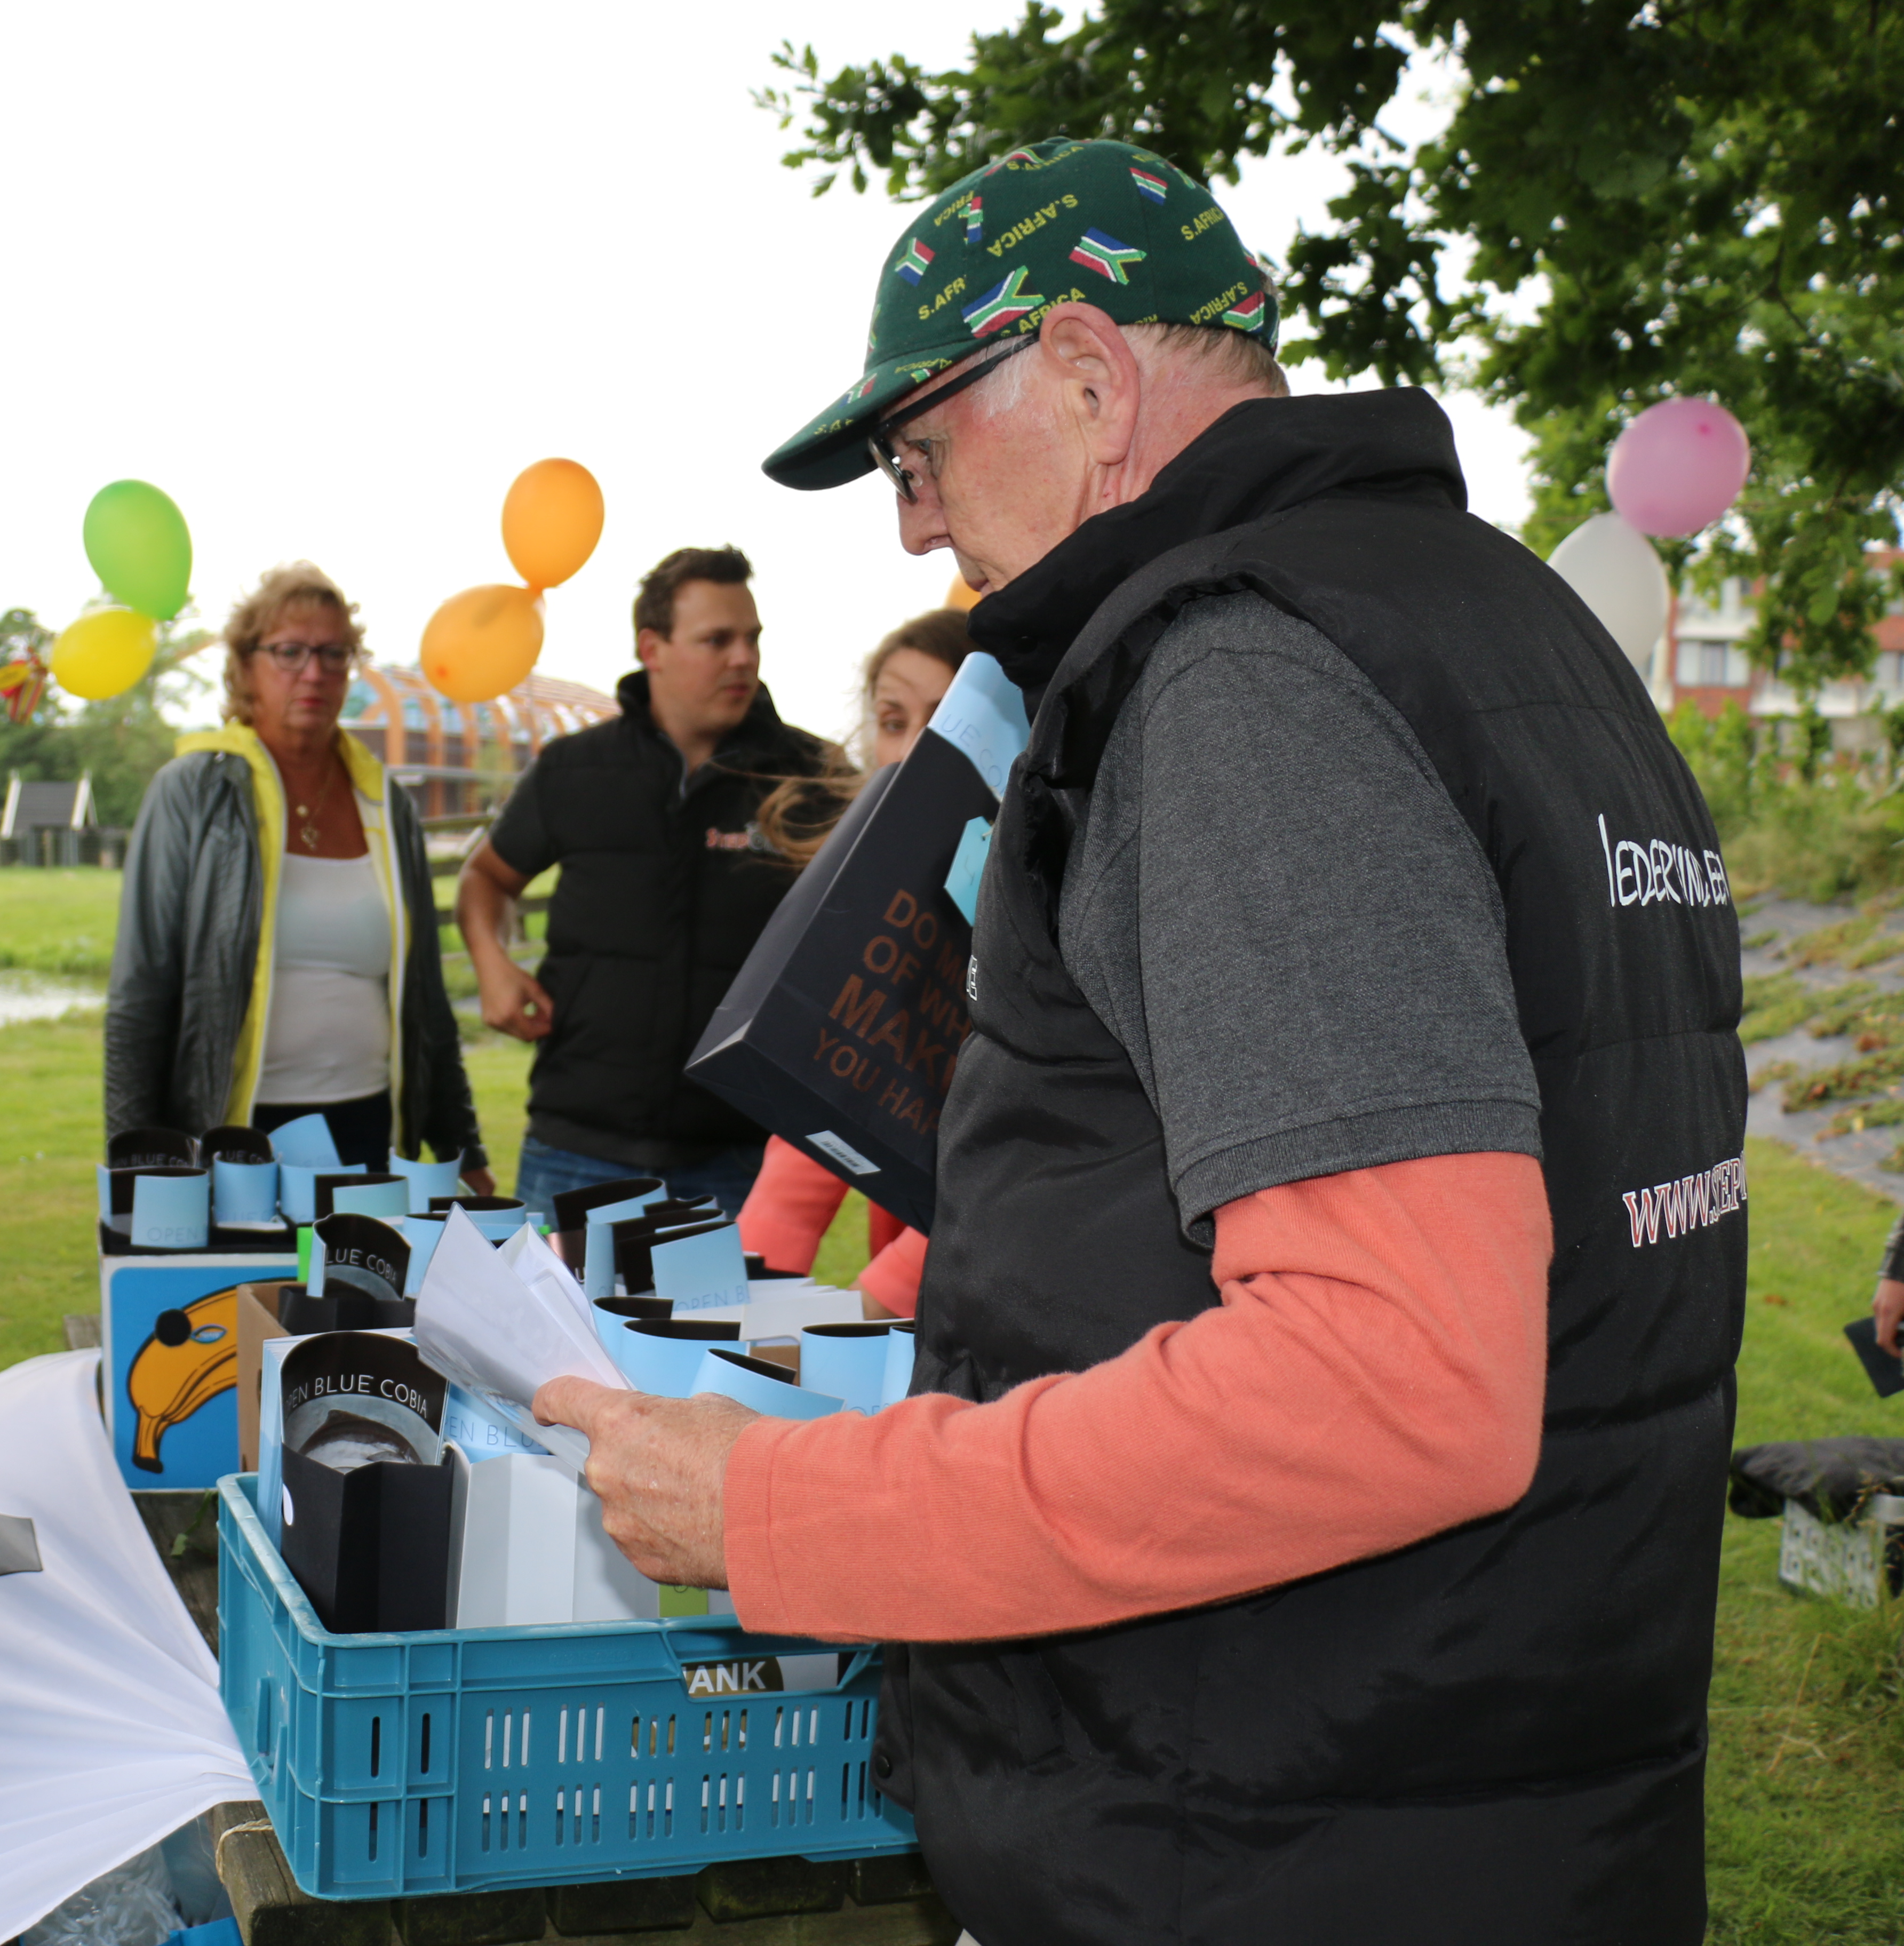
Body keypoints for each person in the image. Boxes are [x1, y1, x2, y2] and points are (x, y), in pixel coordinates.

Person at [537, 137, 1739, 1943]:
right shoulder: (1509, 627)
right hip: (1483, 1775)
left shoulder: (1246, 672)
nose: (915, 528)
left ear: (1090, 378)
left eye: (919, 454)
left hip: (1268, 1818)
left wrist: (790, 1505)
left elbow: (1392, 1377)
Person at [457, 546, 835, 1220]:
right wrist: (491, 962)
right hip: (575, 1151)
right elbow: (486, 875)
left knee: (729, 1333)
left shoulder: (810, 778)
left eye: (752, 639)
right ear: (651, 648)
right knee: (552, 1330)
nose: (743, 658)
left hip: (741, 1158)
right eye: (717, 640)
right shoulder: (575, 768)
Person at [107, 562, 489, 1184]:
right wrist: (135, 1172)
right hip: (235, 1139)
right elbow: (139, 998)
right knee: (249, 1289)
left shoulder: (385, 805)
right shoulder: (194, 792)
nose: (313, 672)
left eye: (334, 654)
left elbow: (425, 996)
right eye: (289, 652)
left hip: (370, 1130)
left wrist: (462, 1149)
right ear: (244, 667)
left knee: (361, 1285)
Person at [738, 607, 969, 1313]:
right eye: (894, 722)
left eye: (946, 721)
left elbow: (1018, 1164)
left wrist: (855, 1319)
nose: (910, 754)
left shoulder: (1056, 906)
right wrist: (738, 1305)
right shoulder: (872, 912)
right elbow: (806, 1145)